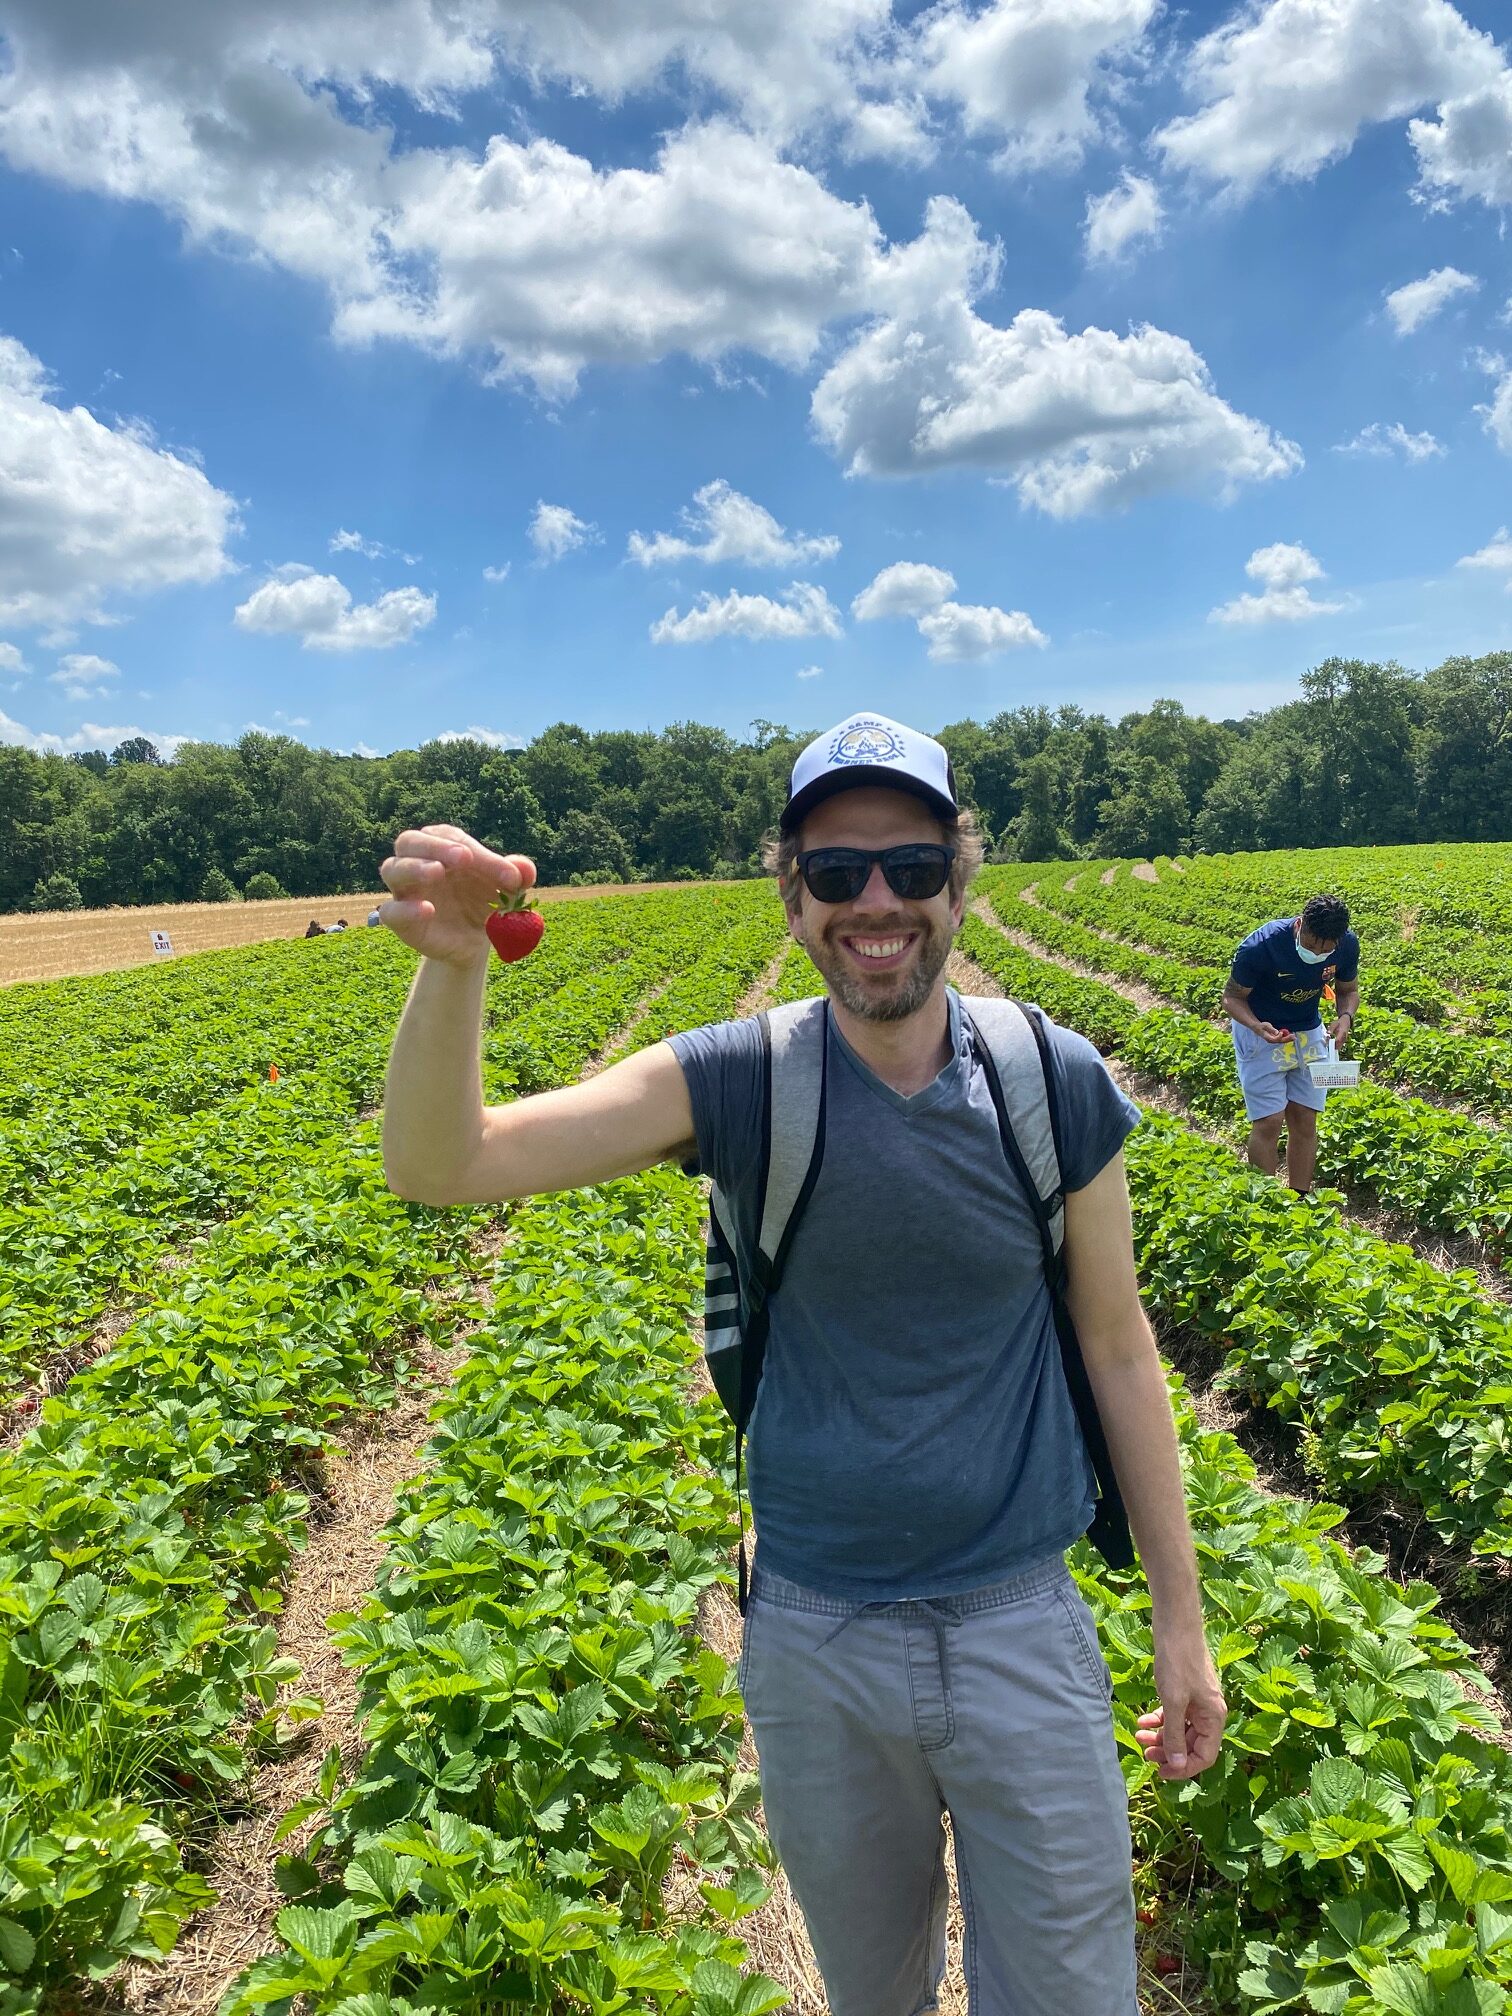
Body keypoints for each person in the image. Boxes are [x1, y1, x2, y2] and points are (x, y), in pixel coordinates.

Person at [377, 711, 1226, 2016]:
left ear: (960, 877)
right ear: (792, 890)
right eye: (836, 873)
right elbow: (449, 1165)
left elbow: (1117, 1346)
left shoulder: (1053, 1083)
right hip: (817, 1640)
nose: (875, 903)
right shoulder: (736, 1081)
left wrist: (1182, 1617)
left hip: (1021, 1624)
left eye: (910, 867)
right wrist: (452, 967)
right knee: (871, 1994)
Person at [1222, 895, 1360, 1197]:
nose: (1317, 953)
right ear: (1300, 925)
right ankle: (1266, 1202)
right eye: (1311, 945)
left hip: (1308, 1031)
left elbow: (1347, 990)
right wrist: (1257, 1026)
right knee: (1269, 1120)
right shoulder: (1261, 945)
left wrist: (1345, 1017)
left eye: (1326, 950)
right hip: (1261, 1032)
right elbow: (1232, 997)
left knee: (1304, 1115)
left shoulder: (1347, 945)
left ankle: (1299, 1198)